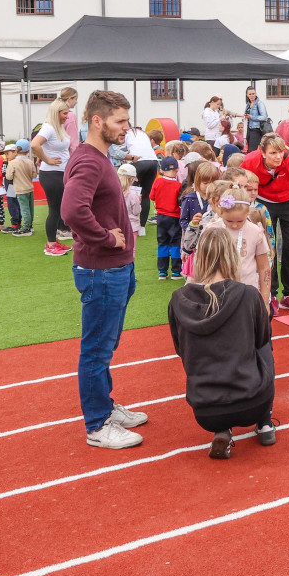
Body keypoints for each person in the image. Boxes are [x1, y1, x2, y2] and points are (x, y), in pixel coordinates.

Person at [59, 90, 143, 449]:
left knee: (105, 346)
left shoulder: (99, 155)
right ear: (98, 121)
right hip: (102, 270)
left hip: (115, 268)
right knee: (96, 349)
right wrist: (107, 239)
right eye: (120, 121)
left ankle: (105, 407)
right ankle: (97, 424)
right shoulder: (90, 160)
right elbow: (72, 211)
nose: (126, 127)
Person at [168, 227, 277, 460]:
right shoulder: (248, 295)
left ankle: (222, 430)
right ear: (231, 256)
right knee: (265, 344)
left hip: (205, 411)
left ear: (200, 257)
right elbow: (261, 339)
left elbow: (180, 349)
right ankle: (264, 422)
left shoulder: (178, 299)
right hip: (252, 401)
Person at [240, 133, 289, 310]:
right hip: (264, 202)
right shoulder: (251, 160)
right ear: (262, 152)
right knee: (267, 248)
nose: (278, 156)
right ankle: (270, 295)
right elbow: (238, 179)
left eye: (280, 152)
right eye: (273, 152)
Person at [200, 183, 272, 308]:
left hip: (248, 294)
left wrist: (265, 301)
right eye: (229, 221)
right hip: (217, 294)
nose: (234, 225)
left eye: (240, 221)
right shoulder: (210, 230)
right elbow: (203, 264)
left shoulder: (255, 231)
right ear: (220, 211)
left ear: (247, 212)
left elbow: (264, 268)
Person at [32, 98, 74, 256]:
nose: (67, 116)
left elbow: (44, 146)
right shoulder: (48, 128)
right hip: (52, 174)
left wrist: (42, 155)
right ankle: (50, 245)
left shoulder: (58, 128)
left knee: (60, 209)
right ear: (56, 113)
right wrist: (46, 159)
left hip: (59, 173)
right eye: (65, 113)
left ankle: (54, 242)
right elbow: (35, 144)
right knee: (54, 210)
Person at [150, 156, 184, 279]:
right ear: (177, 169)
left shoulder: (157, 181)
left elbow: (152, 196)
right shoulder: (178, 185)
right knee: (175, 242)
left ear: (162, 170)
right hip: (174, 216)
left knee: (162, 242)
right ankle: (176, 270)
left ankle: (162, 271)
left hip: (160, 216)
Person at [121, 126, 158, 234]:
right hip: (152, 161)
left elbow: (121, 150)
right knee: (145, 195)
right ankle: (142, 227)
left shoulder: (125, 133)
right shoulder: (142, 133)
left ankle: (132, 225)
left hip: (138, 162)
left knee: (131, 193)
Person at [4, 139, 36, 237]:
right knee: (30, 208)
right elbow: (34, 175)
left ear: (16, 150)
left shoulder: (12, 163)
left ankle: (26, 228)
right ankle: (30, 225)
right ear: (28, 151)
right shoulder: (29, 162)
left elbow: (8, 176)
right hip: (30, 187)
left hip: (20, 189)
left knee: (24, 208)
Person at [243, 87, 270, 152]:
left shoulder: (259, 103)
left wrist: (252, 117)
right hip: (249, 129)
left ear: (256, 94)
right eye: (250, 94)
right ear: (247, 95)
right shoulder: (248, 104)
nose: (252, 96)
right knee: (249, 149)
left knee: (252, 150)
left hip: (256, 129)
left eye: (253, 94)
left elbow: (264, 117)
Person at [118, 163, 142, 236]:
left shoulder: (113, 191)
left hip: (117, 225)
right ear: (132, 179)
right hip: (131, 226)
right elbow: (136, 211)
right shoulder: (133, 194)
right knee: (131, 247)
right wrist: (139, 201)